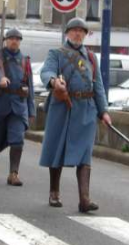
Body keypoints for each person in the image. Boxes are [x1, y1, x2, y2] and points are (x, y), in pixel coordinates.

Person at [39, 18, 111, 212]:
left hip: (86, 109)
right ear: (67, 33)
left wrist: (103, 111)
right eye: (74, 30)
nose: (78, 34)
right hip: (62, 107)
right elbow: (46, 71)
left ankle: (84, 200)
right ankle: (54, 192)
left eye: (81, 31)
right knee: (57, 149)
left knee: (85, 153)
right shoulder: (56, 53)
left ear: (85, 34)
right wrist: (54, 81)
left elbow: (98, 86)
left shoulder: (91, 57)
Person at [0, 28, 35, 185]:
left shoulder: (25, 61)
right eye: (11, 38)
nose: (14, 41)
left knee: (18, 139)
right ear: (6, 40)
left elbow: (30, 86)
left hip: (18, 106)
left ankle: (13, 174)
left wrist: (31, 110)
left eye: (17, 39)